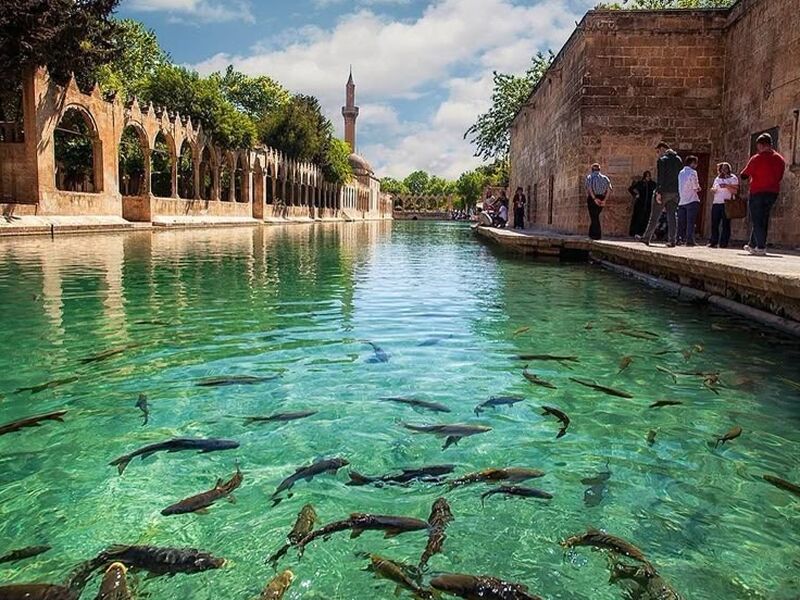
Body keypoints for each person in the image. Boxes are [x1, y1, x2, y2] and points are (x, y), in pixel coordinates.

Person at [740, 132, 786, 255]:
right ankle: (752, 244)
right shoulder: (780, 159)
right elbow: (780, 176)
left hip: (757, 192)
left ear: (760, 145)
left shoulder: (756, 158)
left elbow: (744, 175)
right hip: (772, 192)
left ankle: (761, 247)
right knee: (763, 218)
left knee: (757, 220)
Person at [641, 141, 683, 247]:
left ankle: (646, 238)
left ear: (663, 149)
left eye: (658, 151)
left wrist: (659, 192)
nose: (658, 153)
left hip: (663, 191)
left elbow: (661, 178)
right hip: (675, 192)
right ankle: (672, 240)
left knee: (654, 216)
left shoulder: (662, 160)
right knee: (672, 216)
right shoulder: (678, 160)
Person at [708, 162, 738, 248]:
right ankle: (713, 241)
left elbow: (735, 191)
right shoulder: (717, 178)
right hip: (717, 202)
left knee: (726, 224)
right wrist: (713, 190)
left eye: (726, 168)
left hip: (727, 203)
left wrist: (726, 185)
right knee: (714, 223)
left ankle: (724, 243)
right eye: (722, 168)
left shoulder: (733, 178)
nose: (724, 170)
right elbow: (714, 187)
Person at [677, 155, 702, 247]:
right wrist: (698, 188)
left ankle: (679, 238)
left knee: (681, 222)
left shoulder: (680, 172)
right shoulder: (693, 172)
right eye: (695, 163)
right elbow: (695, 186)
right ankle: (690, 240)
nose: (696, 165)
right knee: (690, 222)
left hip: (682, 200)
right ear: (692, 163)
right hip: (692, 199)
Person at [585, 163, 612, 240]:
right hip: (602, 197)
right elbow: (609, 190)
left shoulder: (590, 177)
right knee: (595, 216)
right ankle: (591, 234)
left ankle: (596, 235)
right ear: (599, 169)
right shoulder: (605, 178)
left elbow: (589, 188)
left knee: (594, 217)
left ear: (592, 170)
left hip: (593, 198)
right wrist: (604, 200)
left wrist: (594, 199)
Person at [627, 171, 656, 237]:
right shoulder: (640, 183)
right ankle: (635, 233)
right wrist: (636, 194)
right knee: (638, 218)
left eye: (649, 176)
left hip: (648, 204)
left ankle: (643, 233)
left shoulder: (652, 184)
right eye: (646, 176)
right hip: (640, 204)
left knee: (646, 219)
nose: (648, 178)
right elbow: (631, 189)